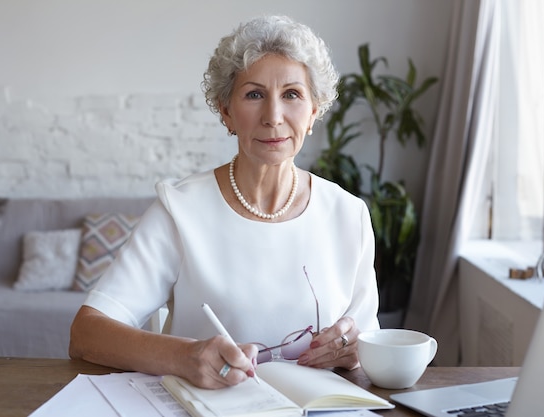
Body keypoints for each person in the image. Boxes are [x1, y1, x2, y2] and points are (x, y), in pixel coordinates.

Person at [69, 14, 379, 389]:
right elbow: (86, 334)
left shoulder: (349, 215)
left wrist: (352, 348)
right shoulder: (180, 211)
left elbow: (365, 343)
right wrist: (183, 357)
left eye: (292, 95)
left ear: (314, 111)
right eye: (254, 95)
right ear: (226, 111)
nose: (273, 117)